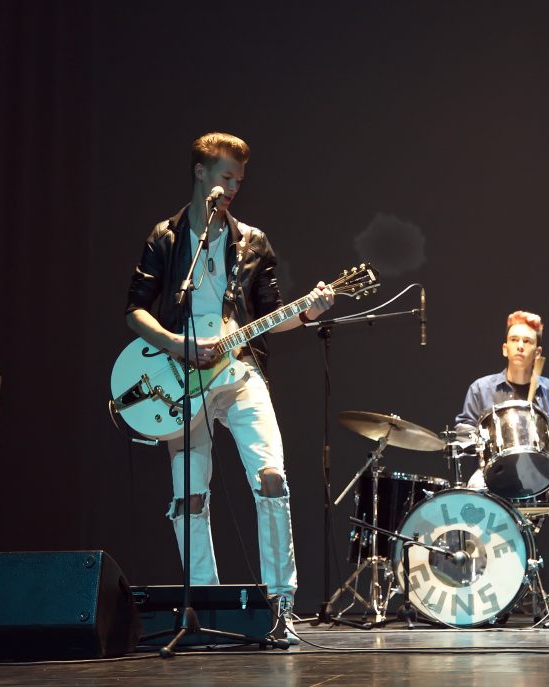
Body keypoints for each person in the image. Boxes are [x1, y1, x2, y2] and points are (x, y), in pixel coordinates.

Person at [125, 132, 334, 643]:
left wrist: (308, 312)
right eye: (226, 177)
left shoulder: (253, 242)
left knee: (272, 477)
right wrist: (175, 344)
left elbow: (271, 315)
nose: (234, 187)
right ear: (201, 174)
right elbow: (134, 310)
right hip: (180, 378)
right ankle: (208, 608)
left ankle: (281, 605)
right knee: (189, 496)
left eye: (239, 179)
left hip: (240, 372)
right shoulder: (167, 237)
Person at [454, 310, 549, 618]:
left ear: (537, 351)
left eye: (527, 341)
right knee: (473, 489)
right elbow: (463, 429)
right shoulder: (481, 389)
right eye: (514, 340)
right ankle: (484, 585)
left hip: (536, 471)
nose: (520, 346)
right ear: (504, 348)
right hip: (494, 470)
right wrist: (479, 441)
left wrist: (548, 456)